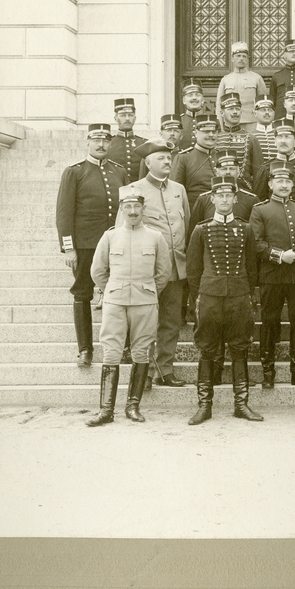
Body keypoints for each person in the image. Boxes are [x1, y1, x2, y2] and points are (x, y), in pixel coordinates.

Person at [85, 189, 171, 426]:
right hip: (116, 301)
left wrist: (148, 290)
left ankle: (133, 406)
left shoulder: (156, 237)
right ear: (121, 209)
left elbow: (164, 273)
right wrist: (113, 288)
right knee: (111, 351)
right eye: (128, 207)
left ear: (144, 209)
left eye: (137, 207)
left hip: (145, 302)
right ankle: (106, 410)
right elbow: (97, 271)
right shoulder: (110, 237)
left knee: (142, 351)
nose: (133, 212)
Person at [185, 174, 263, 424]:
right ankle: (204, 406)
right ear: (212, 198)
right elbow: (193, 270)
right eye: (220, 195)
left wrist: (246, 294)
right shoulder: (201, 230)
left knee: (240, 349)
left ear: (236, 198)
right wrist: (203, 295)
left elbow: (252, 268)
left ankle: (241, 404)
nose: (225, 200)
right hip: (209, 298)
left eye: (229, 195)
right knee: (207, 351)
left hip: (239, 297)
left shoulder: (245, 228)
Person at [56, 123, 129, 369]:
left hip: (116, 243)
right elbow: (64, 213)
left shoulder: (119, 171)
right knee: (83, 292)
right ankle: (85, 349)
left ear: (110, 143)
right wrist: (68, 247)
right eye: (96, 140)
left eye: (106, 140)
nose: (101, 144)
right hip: (86, 244)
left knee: (120, 293)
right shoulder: (74, 172)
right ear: (87, 142)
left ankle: (124, 346)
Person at [119, 139, 190, 389]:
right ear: (148, 163)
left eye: (169, 157)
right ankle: (144, 373)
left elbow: (186, 226)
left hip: (175, 267)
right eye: (161, 158)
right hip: (146, 269)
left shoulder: (179, 189)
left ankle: (165, 370)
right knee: (145, 321)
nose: (167, 161)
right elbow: (123, 231)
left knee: (171, 321)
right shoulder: (132, 189)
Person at [248, 160, 295, 388]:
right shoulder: (260, 209)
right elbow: (255, 243)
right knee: (269, 321)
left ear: (293, 185)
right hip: (271, 276)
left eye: (288, 181)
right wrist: (279, 255)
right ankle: (268, 370)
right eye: (279, 181)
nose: (284, 185)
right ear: (270, 183)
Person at [187, 153, 259, 235]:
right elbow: (193, 235)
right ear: (216, 172)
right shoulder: (203, 200)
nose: (228, 172)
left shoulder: (251, 200)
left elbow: (254, 236)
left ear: (238, 172)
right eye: (224, 169)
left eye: (232, 169)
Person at [252, 119, 295, 203]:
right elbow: (260, 202)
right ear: (275, 141)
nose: (283, 141)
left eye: (287, 137)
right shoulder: (266, 168)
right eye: (279, 137)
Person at [216, 42, 267, 133]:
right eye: (238, 56)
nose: (241, 59)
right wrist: (220, 124)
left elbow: (264, 103)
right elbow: (219, 104)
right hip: (230, 122)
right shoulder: (226, 79)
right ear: (232, 58)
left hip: (252, 122)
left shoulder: (256, 78)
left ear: (247, 59)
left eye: (244, 56)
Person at [171, 115, 219, 208]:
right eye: (206, 131)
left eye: (214, 131)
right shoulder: (183, 158)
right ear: (196, 133)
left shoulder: (221, 156)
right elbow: (175, 193)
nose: (211, 135)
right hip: (195, 213)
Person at [215, 91, 253, 183]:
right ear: (222, 112)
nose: (235, 112)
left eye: (237, 108)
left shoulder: (251, 139)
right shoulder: (215, 138)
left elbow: (258, 172)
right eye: (231, 109)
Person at [105, 98, 144, 181]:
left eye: (130, 115)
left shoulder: (144, 144)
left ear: (135, 118)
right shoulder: (108, 143)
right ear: (115, 118)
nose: (127, 119)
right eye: (122, 115)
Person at [177, 81, 214, 150]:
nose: (194, 98)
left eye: (197, 95)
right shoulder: (178, 122)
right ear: (184, 100)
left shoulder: (212, 121)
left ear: (202, 100)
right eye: (190, 95)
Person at [246, 96, 278, 170]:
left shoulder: (280, 134)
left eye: (270, 110)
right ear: (255, 113)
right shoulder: (249, 135)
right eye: (263, 110)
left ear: (274, 113)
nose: (267, 113)